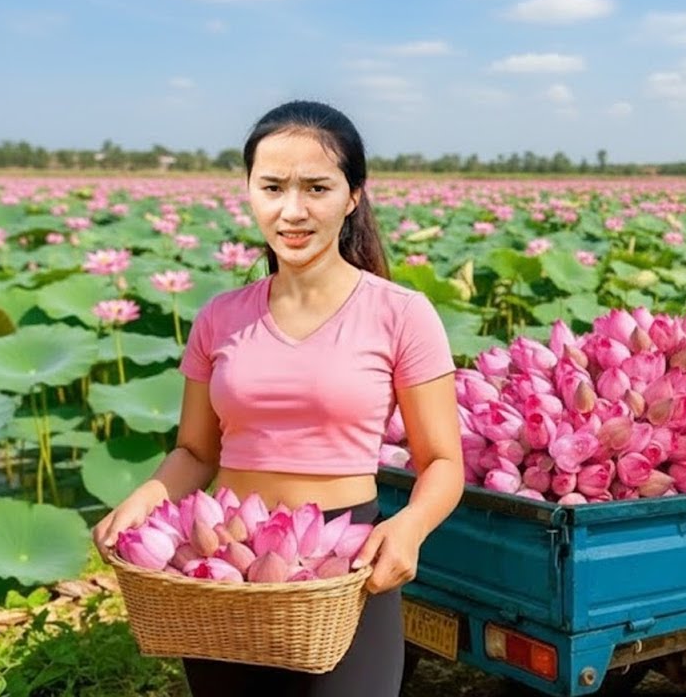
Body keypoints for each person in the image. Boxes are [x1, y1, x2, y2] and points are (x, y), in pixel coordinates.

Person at [92, 100, 465, 697]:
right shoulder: (218, 317)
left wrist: (411, 527)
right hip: (225, 553)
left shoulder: (402, 314)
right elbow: (195, 452)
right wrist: (146, 497)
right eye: (272, 187)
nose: (292, 211)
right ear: (249, 192)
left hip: (344, 559)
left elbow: (443, 462)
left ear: (353, 196)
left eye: (316, 187)